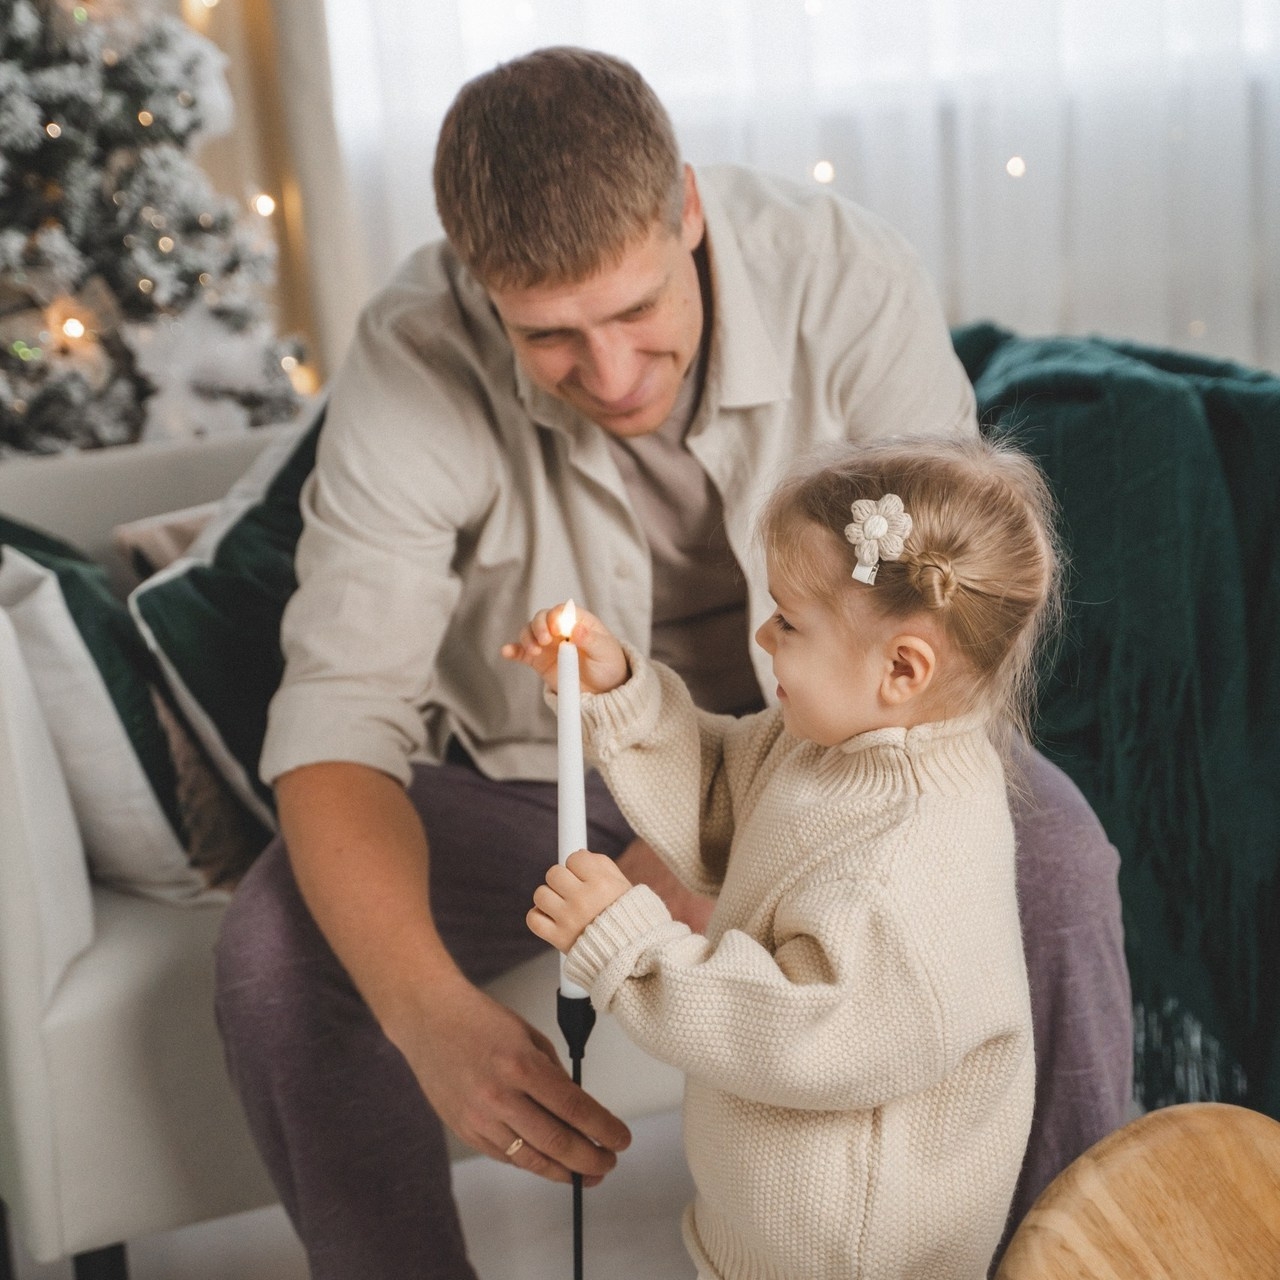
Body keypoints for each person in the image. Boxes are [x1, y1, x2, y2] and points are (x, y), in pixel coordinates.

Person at [213, 46, 1131, 1279]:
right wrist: (432, 1023)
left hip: (828, 767)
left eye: (637, 310)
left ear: (685, 213)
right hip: (522, 780)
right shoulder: (410, 355)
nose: (609, 376)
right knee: (276, 942)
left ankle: (1086, 1262)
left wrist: (690, 862)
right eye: (548, 336)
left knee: (1056, 856)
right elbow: (336, 720)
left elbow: (951, 633)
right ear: (480, 292)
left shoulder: (843, 274)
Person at [504, 432, 1059, 1279]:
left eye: (790, 620)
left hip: (852, 1257)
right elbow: (725, 798)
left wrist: (630, 948)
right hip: (764, 1233)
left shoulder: (910, 860)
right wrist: (617, 691)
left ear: (902, 669)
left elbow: (810, 1032)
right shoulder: (833, 743)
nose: (763, 636)